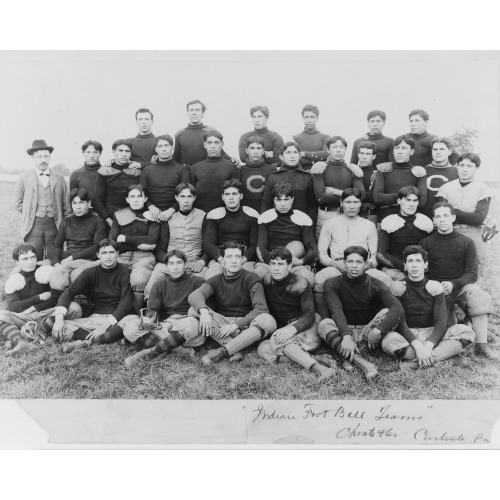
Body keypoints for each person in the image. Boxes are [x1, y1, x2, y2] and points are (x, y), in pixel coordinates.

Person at [419, 202, 495, 359]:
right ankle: (452, 347)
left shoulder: (466, 242)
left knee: (478, 296)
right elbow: (421, 271)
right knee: (446, 322)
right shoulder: (426, 243)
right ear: (433, 220)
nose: (442, 220)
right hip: (437, 289)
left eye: (446, 215)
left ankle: (481, 345)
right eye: (438, 216)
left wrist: (453, 284)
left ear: (453, 217)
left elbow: (472, 274)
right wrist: (435, 286)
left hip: (459, 287)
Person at [381, 245, 475, 368]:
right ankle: (442, 357)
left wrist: (428, 345)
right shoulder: (398, 286)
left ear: (425, 265)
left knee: (466, 332)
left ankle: (414, 364)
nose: (414, 265)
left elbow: (441, 322)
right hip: (408, 334)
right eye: (410, 261)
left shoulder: (434, 286)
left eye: (418, 261)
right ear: (405, 265)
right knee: (388, 341)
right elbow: (400, 323)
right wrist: (418, 346)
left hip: (432, 334)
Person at [318, 246, 402, 380]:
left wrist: (378, 330)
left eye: (359, 262)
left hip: (367, 332)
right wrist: (346, 336)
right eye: (350, 262)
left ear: (366, 264)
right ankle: (365, 364)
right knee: (324, 324)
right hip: (343, 329)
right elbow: (336, 310)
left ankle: (348, 356)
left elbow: (397, 307)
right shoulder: (332, 283)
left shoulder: (374, 283)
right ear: (344, 263)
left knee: (387, 312)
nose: (354, 266)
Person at [188, 242, 277, 365]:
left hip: (246, 326)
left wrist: (236, 325)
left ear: (242, 260)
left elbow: (261, 308)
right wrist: (203, 311)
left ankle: (224, 350)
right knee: (194, 310)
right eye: (229, 257)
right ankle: (238, 347)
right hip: (222, 324)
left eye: (237, 257)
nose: (234, 261)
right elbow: (195, 295)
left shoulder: (251, 278)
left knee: (268, 321)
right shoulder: (216, 280)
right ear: (222, 261)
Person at [257, 248, 336, 382]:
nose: (276, 268)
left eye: (280, 264)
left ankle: (320, 369)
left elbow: (309, 315)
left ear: (289, 266)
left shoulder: (301, 282)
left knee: (279, 343)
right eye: (273, 264)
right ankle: (317, 359)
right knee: (262, 349)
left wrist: (290, 330)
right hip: (283, 329)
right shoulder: (267, 280)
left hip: (305, 326)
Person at [44, 238, 134, 353]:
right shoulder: (90, 272)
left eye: (111, 252)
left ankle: (84, 342)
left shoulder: (124, 272)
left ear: (117, 254)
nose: (108, 256)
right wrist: (59, 318)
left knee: (130, 323)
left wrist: (105, 325)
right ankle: (102, 338)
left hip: (118, 317)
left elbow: (126, 303)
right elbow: (68, 293)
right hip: (96, 317)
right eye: (104, 253)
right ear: (98, 255)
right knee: (61, 326)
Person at [314, 188, 392, 318]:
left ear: (360, 203)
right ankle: (325, 323)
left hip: (363, 266)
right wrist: (334, 263)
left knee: (386, 280)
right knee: (320, 280)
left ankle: (378, 323)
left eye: (355, 202)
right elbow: (321, 253)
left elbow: (375, 255)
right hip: (338, 265)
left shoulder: (369, 225)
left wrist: (368, 265)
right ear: (341, 202)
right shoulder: (330, 223)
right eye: (348, 202)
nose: (351, 206)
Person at [122, 250, 206, 368]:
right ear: (166, 266)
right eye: (171, 264)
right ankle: (178, 349)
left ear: (185, 264)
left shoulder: (198, 282)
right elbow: (153, 311)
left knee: (190, 324)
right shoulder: (160, 285)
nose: (175, 267)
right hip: (166, 326)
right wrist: (148, 320)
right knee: (130, 327)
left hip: (187, 327)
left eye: (179, 263)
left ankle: (147, 354)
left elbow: (202, 308)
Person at [0, 244, 81, 355]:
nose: (30, 262)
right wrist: (38, 297)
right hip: (26, 315)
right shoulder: (15, 279)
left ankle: (38, 332)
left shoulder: (46, 271)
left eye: (33, 257)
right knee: (2, 315)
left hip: (49, 312)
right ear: (17, 262)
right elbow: (14, 306)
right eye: (25, 259)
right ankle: (21, 341)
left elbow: (57, 296)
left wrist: (35, 307)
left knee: (74, 308)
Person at [145, 183, 208, 298]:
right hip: (170, 262)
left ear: (194, 198)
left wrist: (201, 262)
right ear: (176, 198)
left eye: (189, 196)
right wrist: (169, 262)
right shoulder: (168, 218)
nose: (186, 200)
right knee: (156, 275)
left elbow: (208, 245)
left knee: (205, 282)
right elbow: (160, 249)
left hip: (193, 263)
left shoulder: (203, 216)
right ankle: (150, 311)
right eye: (182, 196)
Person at [437, 153, 493, 280]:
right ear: (457, 166)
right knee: (448, 265)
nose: (464, 169)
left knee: (475, 267)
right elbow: (442, 214)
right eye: (461, 165)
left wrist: (451, 211)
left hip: (474, 232)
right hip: (450, 231)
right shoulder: (445, 188)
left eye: (469, 165)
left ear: (477, 168)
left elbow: (478, 218)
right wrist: (454, 214)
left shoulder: (483, 189)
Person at [14, 139, 72, 261]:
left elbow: (66, 206)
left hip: (54, 225)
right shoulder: (24, 178)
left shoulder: (59, 178)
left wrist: (64, 225)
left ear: (50, 157)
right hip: (33, 225)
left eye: (46, 156)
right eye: (39, 156)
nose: (43, 160)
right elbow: (18, 203)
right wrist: (31, 214)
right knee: (34, 256)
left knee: (54, 257)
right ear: (33, 157)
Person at [255, 183, 317, 286]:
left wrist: (301, 262)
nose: (282, 204)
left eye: (286, 199)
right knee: (256, 276)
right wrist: (275, 264)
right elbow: (261, 248)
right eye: (279, 200)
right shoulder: (265, 218)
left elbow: (313, 250)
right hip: (270, 262)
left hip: (294, 262)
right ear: (274, 200)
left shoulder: (303, 218)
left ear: (292, 199)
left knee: (307, 279)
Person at [108, 184, 160, 310]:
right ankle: (113, 311)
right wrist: (141, 242)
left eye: (139, 196)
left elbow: (152, 241)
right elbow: (113, 240)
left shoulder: (152, 215)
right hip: (122, 256)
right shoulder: (120, 214)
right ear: (127, 199)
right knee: (110, 275)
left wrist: (126, 238)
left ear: (145, 199)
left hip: (144, 256)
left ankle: (135, 312)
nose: (135, 199)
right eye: (132, 196)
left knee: (138, 280)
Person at [47, 188, 107, 282]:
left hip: (85, 260)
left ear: (89, 203)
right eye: (74, 203)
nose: (77, 207)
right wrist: (56, 263)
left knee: (60, 278)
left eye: (81, 202)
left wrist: (72, 257)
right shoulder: (66, 221)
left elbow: (97, 247)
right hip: (65, 259)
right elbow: (56, 245)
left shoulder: (98, 222)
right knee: (34, 267)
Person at [310, 136, 365, 238]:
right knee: (324, 249)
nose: (339, 150)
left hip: (348, 214)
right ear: (328, 150)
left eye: (342, 147)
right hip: (326, 215)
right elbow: (321, 198)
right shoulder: (320, 168)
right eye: (335, 147)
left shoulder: (353, 169)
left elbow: (361, 196)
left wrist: (335, 191)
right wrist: (349, 197)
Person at [203, 179, 259, 279]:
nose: (231, 197)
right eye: (227, 194)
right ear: (223, 197)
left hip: (244, 258)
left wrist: (241, 260)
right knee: (211, 277)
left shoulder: (252, 215)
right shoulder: (214, 215)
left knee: (248, 278)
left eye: (234, 194)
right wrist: (221, 259)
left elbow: (255, 245)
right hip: (221, 258)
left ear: (241, 196)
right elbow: (208, 244)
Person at [377, 186, 434, 281]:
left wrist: (418, 267)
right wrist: (405, 267)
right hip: (394, 268)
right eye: (408, 200)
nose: (411, 204)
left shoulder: (425, 222)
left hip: (419, 267)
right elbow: (381, 254)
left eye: (415, 201)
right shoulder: (389, 221)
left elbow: (430, 251)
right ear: (399, 201)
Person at [261, 141, 318, 225]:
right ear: (281, 156)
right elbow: (266, 204)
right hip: (278, 226)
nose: (292, 156)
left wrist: (309, 224)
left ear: (299, 156)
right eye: (288, 153)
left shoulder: (308, 177)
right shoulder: (273, 177)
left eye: (295, 152)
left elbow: (312, 206)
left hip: (301, 225)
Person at [372, 135, 427, 221]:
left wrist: (390, 198)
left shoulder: (418, 171)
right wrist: (407, 198)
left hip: (410, 220)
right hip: (386, 218)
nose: (399, 152)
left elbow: (421, 202)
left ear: (411, 151)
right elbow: (377, 197)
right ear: (393, 151)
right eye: (397, 148)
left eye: (404, 148)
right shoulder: (383, 169)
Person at [139, 134, 191, 221]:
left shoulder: (182, 170)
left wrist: (171, 210)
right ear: (156, 149)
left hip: (175, 214)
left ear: (172, 147)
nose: (163, 149)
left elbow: (186, 195)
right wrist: (151, 207)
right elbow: (141, 193)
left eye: (166, 145)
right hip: (151, 213)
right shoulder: (147, 170)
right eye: (160, 146)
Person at [93, 139, 141, 228]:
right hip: (110, 217)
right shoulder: (104, 171)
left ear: (130, 153)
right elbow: (97, 200)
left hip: (133, 217)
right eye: (120, 150)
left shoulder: (137, 171)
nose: (124, 154)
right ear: (114, 152)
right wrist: (109, 221)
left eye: (127, 151)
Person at [173, 99, 237, 166]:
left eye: (197, 110)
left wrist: (232, 159)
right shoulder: (180, 133)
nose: (194, 113)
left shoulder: (211, 131)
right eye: (191, 110)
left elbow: (220, 152)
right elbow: (176, 158)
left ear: (202, 114)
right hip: (187, 172)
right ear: (188, 113)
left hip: (207, 171)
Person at [190, 131, 240, 213]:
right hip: (200, 213)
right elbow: (191, 194)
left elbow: (236, 194)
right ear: (205, 145)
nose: (213, 146)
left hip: (225, 213)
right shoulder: (195, 167)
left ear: (222, 144)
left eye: (216, 142)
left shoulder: (232, 166)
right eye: (209, 143)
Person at [422, 137, 459, 218]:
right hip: (424, 219)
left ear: (449, 151)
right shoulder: (422, 171)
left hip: (447, 221)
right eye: (435, 149)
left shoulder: (457, 173)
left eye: (442, 149)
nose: (438, 152)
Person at [239, 136, 278, 212]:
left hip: (266, 212)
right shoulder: (240, 169)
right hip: (246, 214)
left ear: (263, 151)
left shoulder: (271, 170)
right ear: (246, 150)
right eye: (252, 148)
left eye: (259, 148)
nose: (255, 152)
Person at [292, 104, 330, 171]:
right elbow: (294, 158)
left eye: (312, 117)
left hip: (320, 174)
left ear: (317, 118)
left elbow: (325, 154)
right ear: (303, 118)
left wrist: (303, 154)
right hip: (301, 173)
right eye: (306, 117)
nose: (309, 120)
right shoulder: (296, 138)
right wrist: (313, 161)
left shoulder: (325, 137)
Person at [70, 140, 104, 205]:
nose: (92, 155)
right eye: (88, 152)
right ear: (83, 153)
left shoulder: (106, 172)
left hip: (105, 213)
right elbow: (73, 199)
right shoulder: (75, 174)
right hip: (85, 213)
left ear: (100, 153)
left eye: (95, 152)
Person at [355, 141, 378, 222]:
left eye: (368, 154)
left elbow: (375, 197)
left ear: (374, 156)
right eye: (362, 153)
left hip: (370, 216)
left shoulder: (377, 175)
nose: (364, 157)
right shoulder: (351, 172)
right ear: (358, 155)